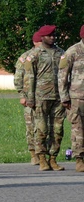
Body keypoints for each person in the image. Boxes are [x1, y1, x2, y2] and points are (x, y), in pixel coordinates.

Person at [24, 24, 65, 171]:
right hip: (41, 97)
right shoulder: (34, 55)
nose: (53, 37)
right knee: (41, 129)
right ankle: (41, 158)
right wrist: (30, 98)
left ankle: (53, 158)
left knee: (58, 129)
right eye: (49, 35)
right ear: (42, 37)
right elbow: (30, 77)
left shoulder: (61, 53)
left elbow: (65, 75)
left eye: (54, 35)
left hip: (59, 98)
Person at [59, 25, 84, 172]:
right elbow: (62, 76)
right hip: (76, 98)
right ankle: (80, 159)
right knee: (78, 129)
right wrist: (64, 97)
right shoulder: (73, 51)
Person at [15, 32, 43, 165]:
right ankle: (33, 154)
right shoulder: (25, 57)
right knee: (31, 125)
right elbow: (18, 78)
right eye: (39, 42)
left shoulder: (48, 54)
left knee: (44, 126)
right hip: (29, 97)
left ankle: (44, 153)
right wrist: (22, 95)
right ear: (34, 42)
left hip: (44, 96)